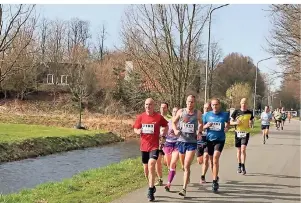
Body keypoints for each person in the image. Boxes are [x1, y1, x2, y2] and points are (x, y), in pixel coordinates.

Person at [133, 98, 168, 202]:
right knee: (146, 171)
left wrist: (163, 136)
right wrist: (138, 131)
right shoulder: (141, 117)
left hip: (154, 146)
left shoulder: (158, 117)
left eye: (150, 104)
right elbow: (135, 128)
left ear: (154, 105)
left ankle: (150, 190)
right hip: (144, 147)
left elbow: (166, 125)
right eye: (146, 104)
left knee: (152, 164)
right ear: (144, 105)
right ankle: (152, 186)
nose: (148, 106)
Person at [172, 95, 203, 197]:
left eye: (192, 102)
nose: (190, 104)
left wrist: (199, 132)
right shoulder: (181, 112)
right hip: (181, 141)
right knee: (183, 166)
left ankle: (184, 189)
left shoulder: (198, 113)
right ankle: (187, 174)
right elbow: (173, 121)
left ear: (195, 103)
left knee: (186, 165)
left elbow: (201, 123)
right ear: (186, 102)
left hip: (192, 142)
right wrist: (176, 130)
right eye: (189, 102)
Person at [203, 98, 230, 192]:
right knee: (211, 161)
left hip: (220, 140)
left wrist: (227, 127)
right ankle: (215, 176)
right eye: (213, 105)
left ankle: (214, 182)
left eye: (216, 104)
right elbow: (201, 127)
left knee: (215, 158)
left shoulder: (225, 114)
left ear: (219, 105)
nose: (215, 106)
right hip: (209, 140)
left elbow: (228, 123)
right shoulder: (207, 115)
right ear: (211, 106)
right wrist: (206, 126)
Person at [230, 98, 254, 175]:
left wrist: (251, 123)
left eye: (245, 103)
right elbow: (230, 122)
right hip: (238, 133)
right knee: (239, 150)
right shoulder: (236, 112)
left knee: (243, 149)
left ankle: (243, 166)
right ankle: (239, 165)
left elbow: (252, 121)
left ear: (247, 104)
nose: (244, 104)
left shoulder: (249, 112)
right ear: (240, 103)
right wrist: (235, 123)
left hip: (246, 133)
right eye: (242, 103)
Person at [155, 102, 172, 186]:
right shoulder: (156, 117)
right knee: (157, 161)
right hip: (158, 142)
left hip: (168, 142)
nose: (162, 109)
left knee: (167, 162)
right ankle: (160, 179)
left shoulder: (170, 118)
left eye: (164, 107)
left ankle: (170, 179)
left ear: (167, 108)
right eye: (161, 107)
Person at [163, 107, 180, 192]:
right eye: (173, 111)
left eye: (176, 112)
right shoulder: (168, 122)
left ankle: (168, 184)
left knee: (172, 163)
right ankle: (172, 171)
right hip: (168, 144)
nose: (175, 113)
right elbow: (163, 132)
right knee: (168, 164)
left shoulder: (181, 122)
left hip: (177, 144)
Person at [196, 102, 213, 184]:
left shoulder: (213, 118)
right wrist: (205, 126)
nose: (206, 109)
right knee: (200, 161)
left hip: (208, 140)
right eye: (205, 108)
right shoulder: (199, 118)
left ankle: (202, 176)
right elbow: (196, 130)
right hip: (199, 141)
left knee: (206, 158)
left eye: (208, 108)